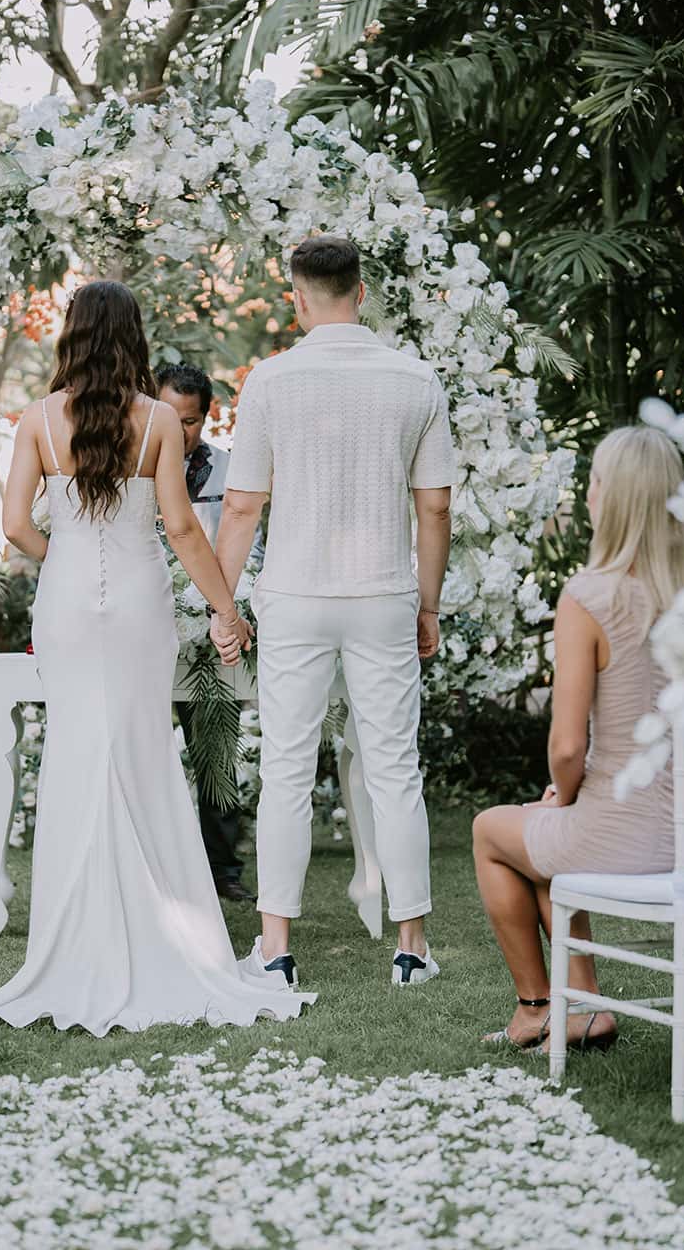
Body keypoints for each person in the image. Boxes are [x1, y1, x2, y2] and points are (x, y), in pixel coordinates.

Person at [0, 280, 314, 1035]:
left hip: (69, 602)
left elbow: (13, 526)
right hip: (141, 600)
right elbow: (180, 529)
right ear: (134, 338)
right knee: (143, 752)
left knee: (79, 753)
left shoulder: (38, 421)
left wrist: (65, 553)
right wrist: (227, 609)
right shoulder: (159, 423)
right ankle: (173, 935)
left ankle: (74, 938)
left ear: (70, 337)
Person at [210, 235, 455, 990]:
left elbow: (244, 504)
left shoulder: (272, 381)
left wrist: (223, 606)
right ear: (361, 289)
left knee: (285, 769)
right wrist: (428, 603)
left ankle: (276, 953)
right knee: (394, 769)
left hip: (294, 593)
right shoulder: (415, 379)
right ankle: (411, 948)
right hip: (383, 591)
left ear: (297, 295)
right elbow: (436, 505)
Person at [470, 426, 684, 1051]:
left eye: (595, 479)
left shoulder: (590, 596)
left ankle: (535, 1007)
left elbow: (567, 748)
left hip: (622, 831)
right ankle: (586, 1010)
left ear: (610, 499)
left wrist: (563, 794)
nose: (589, 490)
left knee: (494, 831)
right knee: (542, 840)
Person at [158, 360, 254, 903]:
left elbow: (251, 546)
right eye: (170, 417)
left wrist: (232, 607)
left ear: (206, 418)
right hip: (151, 629)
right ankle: (162, 868)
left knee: (216, 750)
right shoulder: (135, 467)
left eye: (190, 421)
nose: (179, 431)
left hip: (212, 631)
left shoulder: (230, 471)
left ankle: (223, 871)